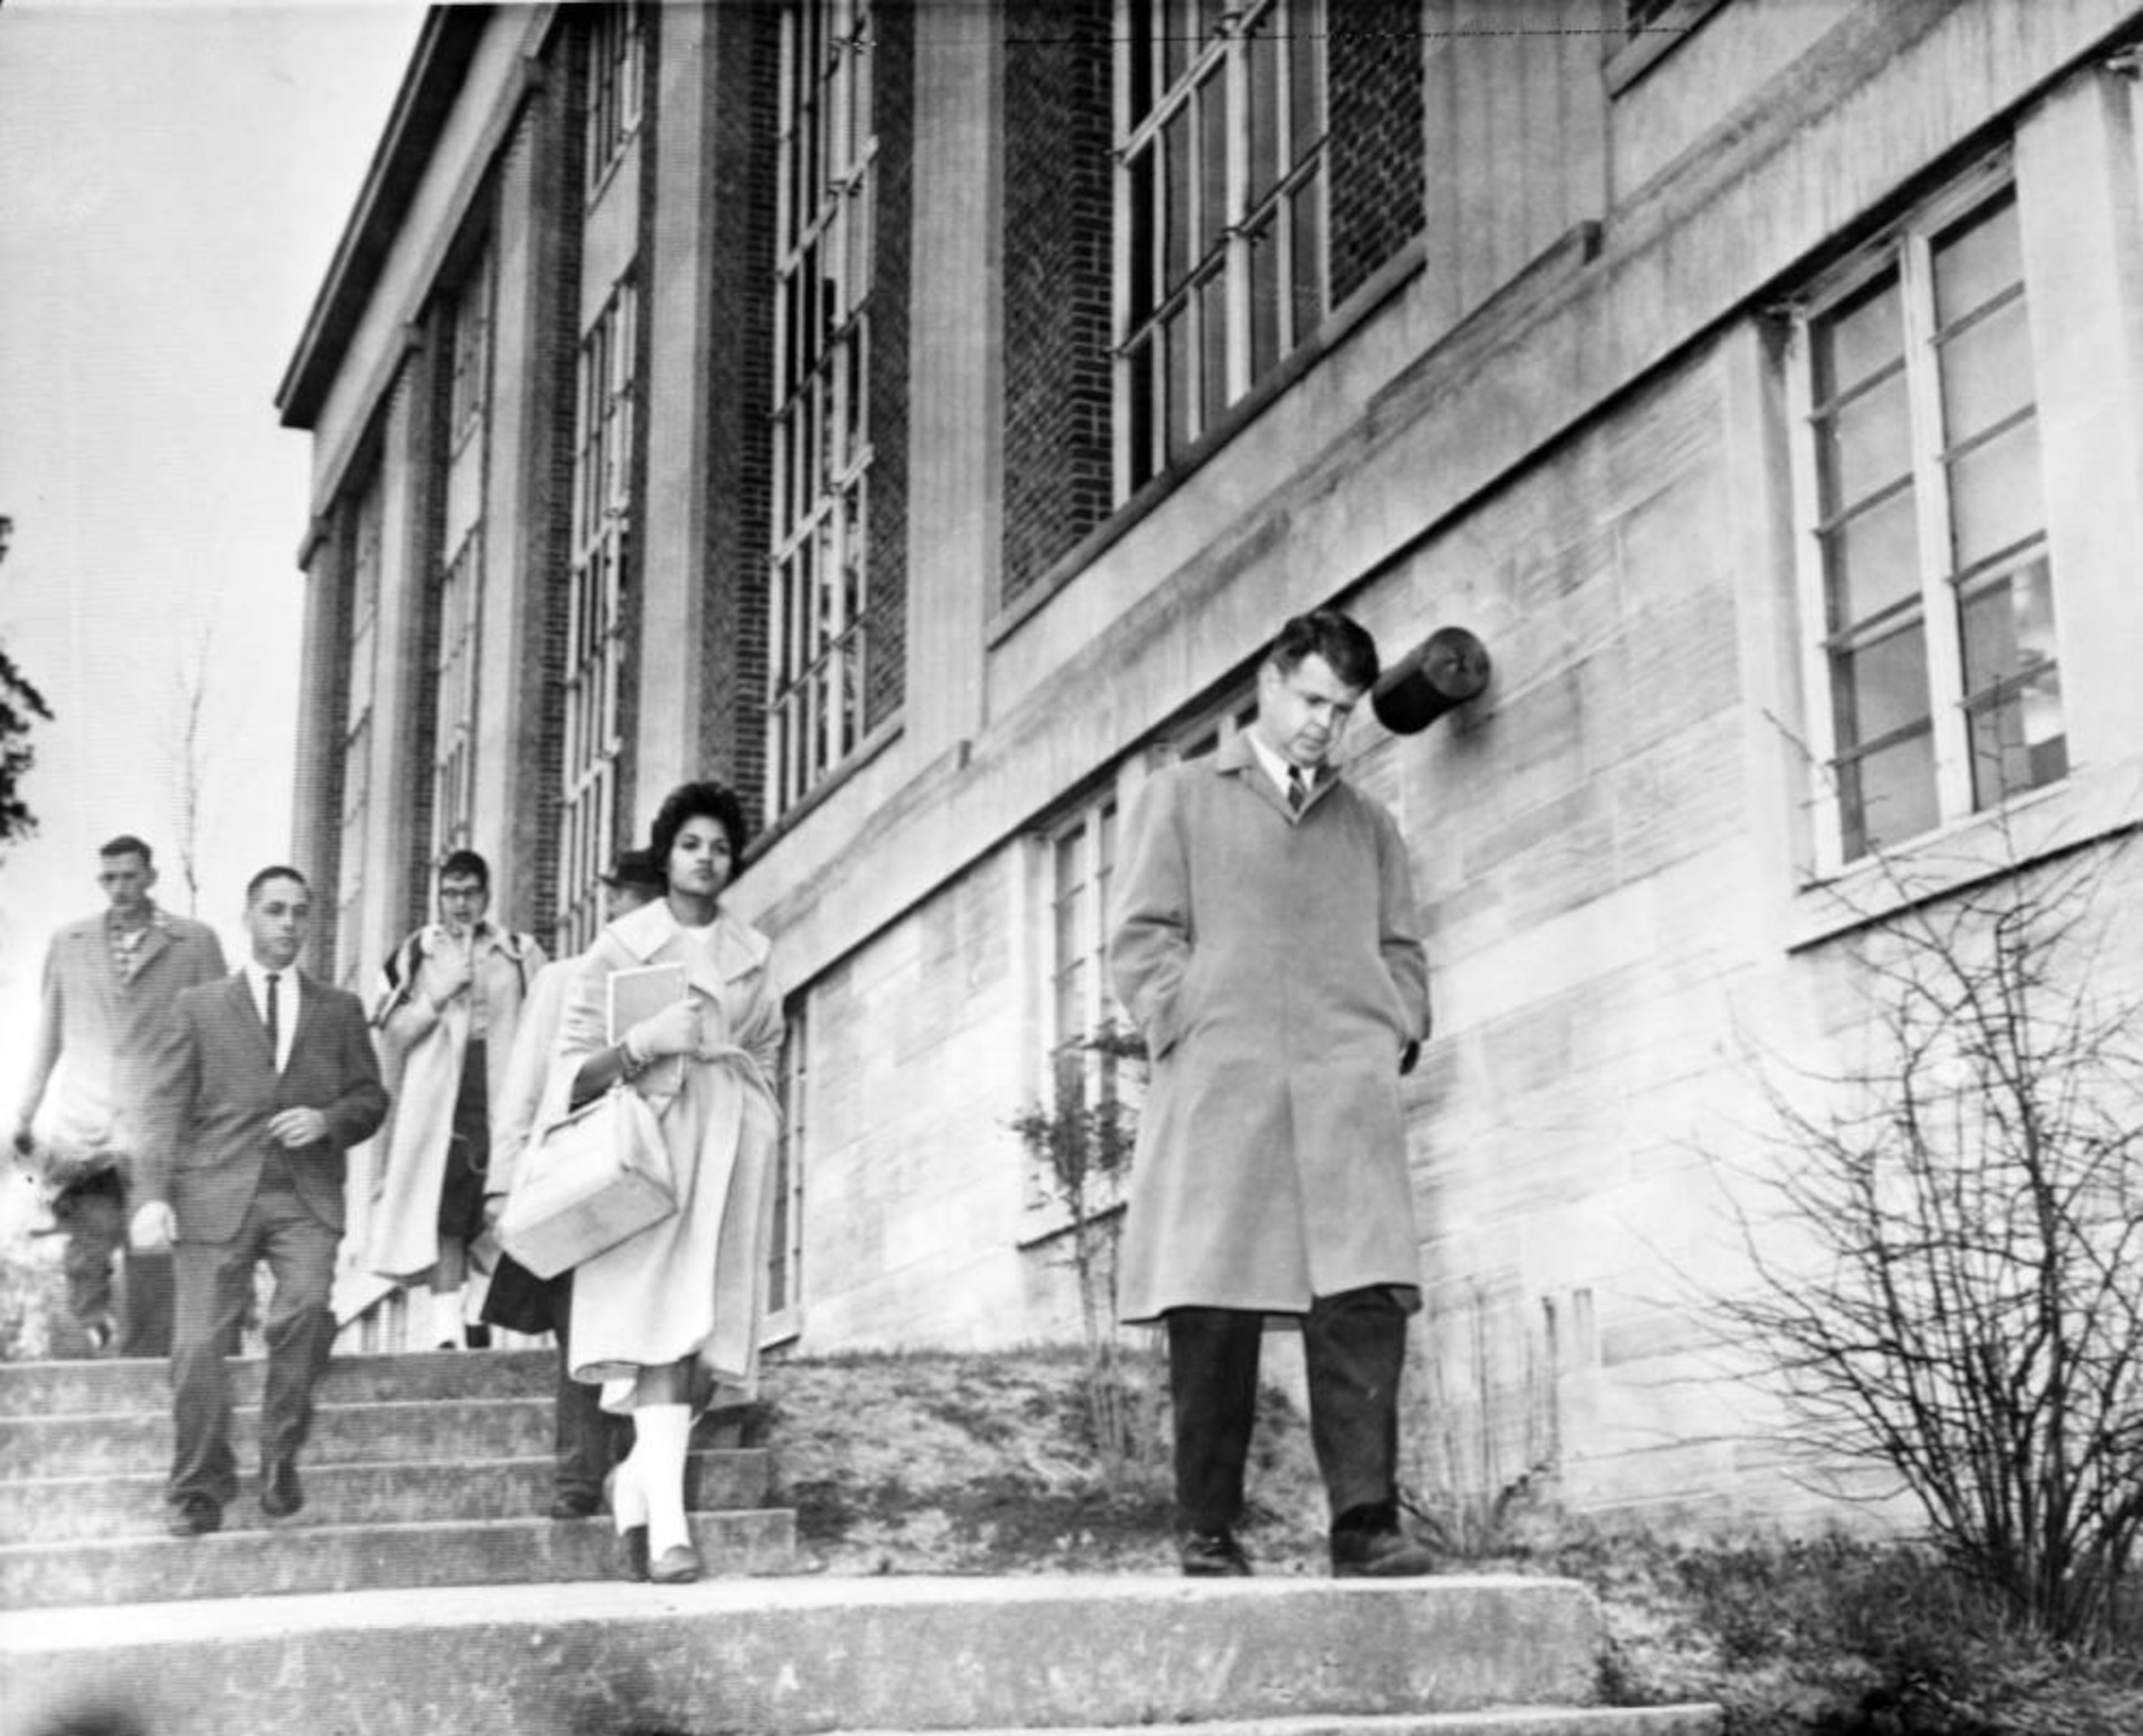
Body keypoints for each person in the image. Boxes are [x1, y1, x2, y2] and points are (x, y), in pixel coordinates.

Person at [1109, 608, 1436, 1579]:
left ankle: (1365, 1526)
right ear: (1269, 682)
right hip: (1226, 1087)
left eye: (1342, 711)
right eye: (1311, 700)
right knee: (1215, 1303)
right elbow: (1141, 938)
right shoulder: (1179, 797)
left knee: (1363, 1299)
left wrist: (1395, 1028)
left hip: (1344, 1092)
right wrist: (1189, 1019)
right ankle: (1208, 1526)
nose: (1324, 726)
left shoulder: (1370, 827)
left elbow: (1403, 948)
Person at [552, 782, 785, 1584]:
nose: (706, 859)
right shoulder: (622, 945)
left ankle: (634, 1479)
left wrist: (759, 1114)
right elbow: (571, 1069)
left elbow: (769, 1042)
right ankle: (670, 1534)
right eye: (691, 844)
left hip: (730, 1149)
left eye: (720, 847)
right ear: (667, 854)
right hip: (652, 1151)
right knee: (661, 1331)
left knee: (706, 1346)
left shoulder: (754, 950)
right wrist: (642, 1043)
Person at [131, 866, 388, 1537]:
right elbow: (161, 1109)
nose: (288, 924)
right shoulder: (199, 1006)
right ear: (248, 917)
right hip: (213, 1195)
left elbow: (370, 1099)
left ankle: (279, 1453)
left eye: (300, 912)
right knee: (196, 1344)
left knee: (303, 1309)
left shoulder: (339, 1009)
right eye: (275, 910)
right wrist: (152, 1197)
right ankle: (197, 1485)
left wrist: (327, 1121)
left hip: (304, 1198)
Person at [478, 847, 665, 1519]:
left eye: (652, 903)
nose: (637, 914)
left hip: (646, 1182)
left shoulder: (674, 984)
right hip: (571, 1178)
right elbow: (524, 1083)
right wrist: (502, 1183)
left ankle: (629, 1463)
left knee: (636, 1323)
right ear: (612, 903)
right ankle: (579, 1477)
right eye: (629, 899)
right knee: (577, 1323)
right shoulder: (564, 980)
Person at [11, 835, 228, 1358]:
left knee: (150, 1248)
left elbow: (221, 1036)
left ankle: (143, 1363)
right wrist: (24, 1112)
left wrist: (219, 1118)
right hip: (87, 1126)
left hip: (162, 1126)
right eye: (110, 878)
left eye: (130, 876)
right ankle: (95, 1326)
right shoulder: (70, 942)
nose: (120, 888)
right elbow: (49, 1034)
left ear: (151, 877)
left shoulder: (194, 943)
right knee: (88, 1249)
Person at [363, 848, 545, 1348]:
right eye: (451, 893)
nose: (461, 904)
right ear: (439, 897)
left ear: (487, 895)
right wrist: (436, 995)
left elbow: (547, 1020)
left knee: (496, 1202)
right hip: (442, 1097)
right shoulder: (416, 953)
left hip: (502, 1093)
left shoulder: (520, 953)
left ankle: (476, 1314)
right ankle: (446, 1329)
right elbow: (391, 1034)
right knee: (445, 1207)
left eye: (470, 893)